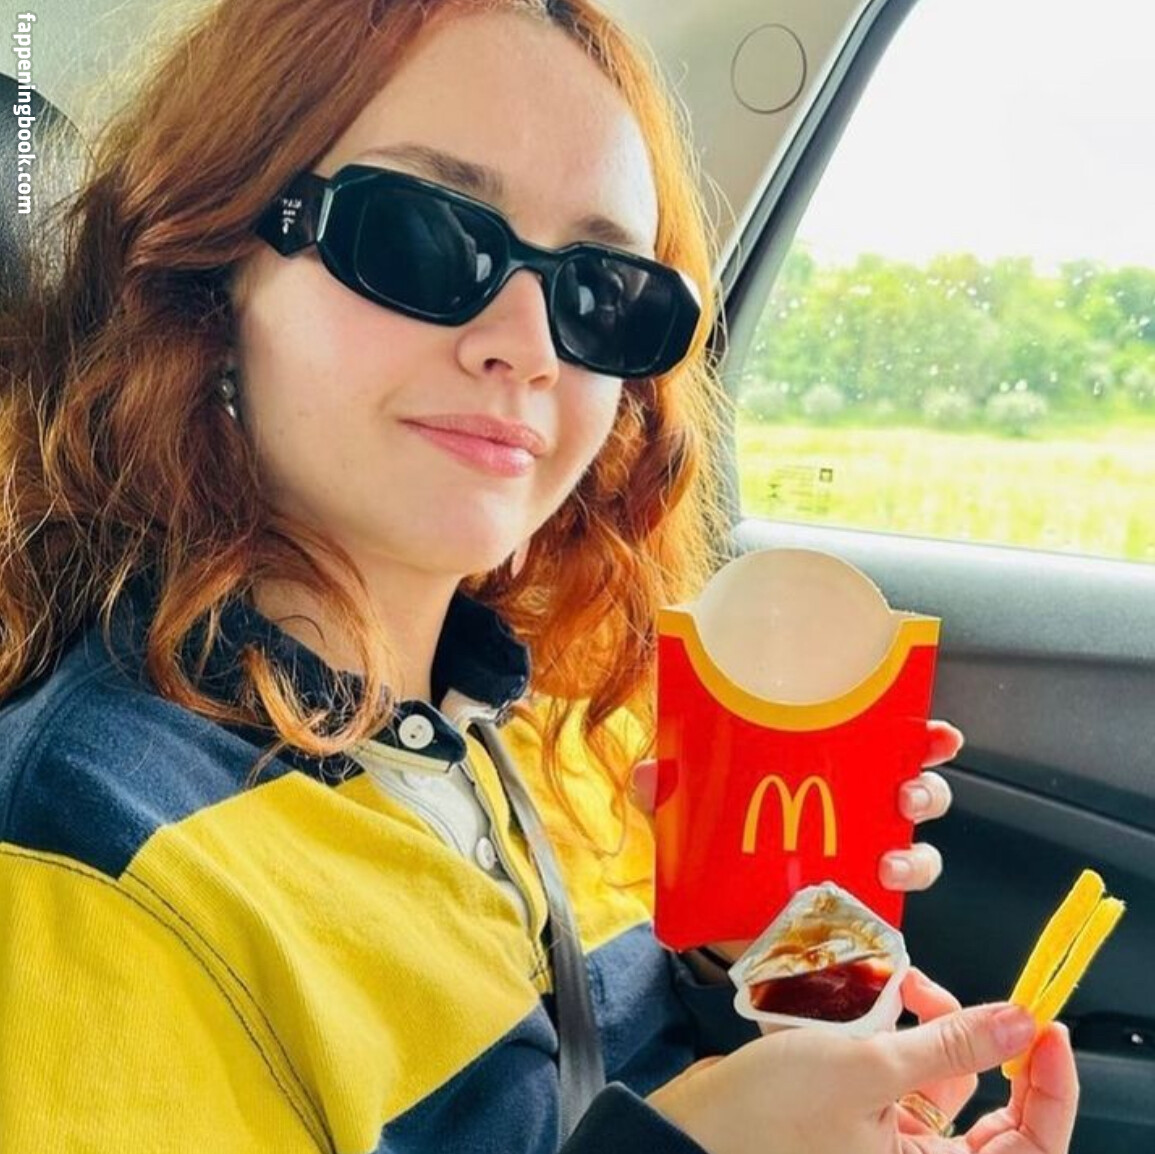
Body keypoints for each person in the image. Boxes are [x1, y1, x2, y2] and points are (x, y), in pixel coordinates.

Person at [0, 1, 1078, 1151]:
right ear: (212, 269)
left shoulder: (574, 717)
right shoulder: (89, 856)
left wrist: (775, 959)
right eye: (423, 236)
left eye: (600, 291)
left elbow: (625, 1083)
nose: (530, 345)